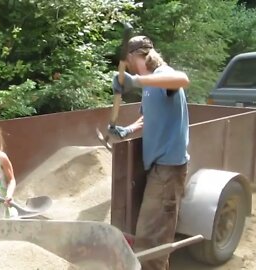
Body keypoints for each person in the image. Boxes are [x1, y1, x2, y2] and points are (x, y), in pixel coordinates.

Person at [109, 35, 190, 270]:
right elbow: (148, 117)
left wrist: (134, 81)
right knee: (151, 236)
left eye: (129, 60)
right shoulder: (148, 83)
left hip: (168, 169)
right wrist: (128, 129)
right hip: (156, 167)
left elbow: (183, 80)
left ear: (135, 57)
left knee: (151, 241)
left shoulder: (162, 74)